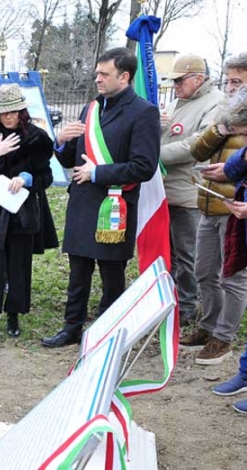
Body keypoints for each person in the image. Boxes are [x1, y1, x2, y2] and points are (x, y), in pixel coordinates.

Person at [41, 47, 161, 348]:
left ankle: (109, 331)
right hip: (83, 203)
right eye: (97, 73)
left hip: (114, 205)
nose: (97, 79)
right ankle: (72, 328)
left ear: (124, 76)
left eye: (104, 74)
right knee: (78, 270)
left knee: (111, 274)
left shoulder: (143, 112)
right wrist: (61, 141)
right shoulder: (91, 109)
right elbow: (72, 160)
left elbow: (143, 167)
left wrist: (98, 173)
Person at [184, 52, 247, 365]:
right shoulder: (233, 115)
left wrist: (239, 173)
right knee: (207, 273)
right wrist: (224, 137)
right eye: (227, 81)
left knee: (238, 280)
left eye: (237, 82)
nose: (230, 87)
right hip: (216, 203)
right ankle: (213, 331)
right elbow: (199, 149)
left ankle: (225, 339)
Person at [0, 84, 56, 337]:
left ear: (22, 111)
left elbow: (46, 176)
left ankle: (13, 317)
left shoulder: (37, 138)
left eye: (14, 111)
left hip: (22, 212)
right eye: (4, 112)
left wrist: (28, 179)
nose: (9, 117)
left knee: (18, 265)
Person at [160, 54, 224, 326]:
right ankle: (169, 300)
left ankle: (187, 306)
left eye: (180, 80)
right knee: (169, 253)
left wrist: (154, 155)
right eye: (174, 81)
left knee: (188, 255)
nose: (176, 86)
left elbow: (197, 145)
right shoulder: (177, 103)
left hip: (188, 192)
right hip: (165, 190)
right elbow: (173, 134)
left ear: (198, 78)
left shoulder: (215, 103)